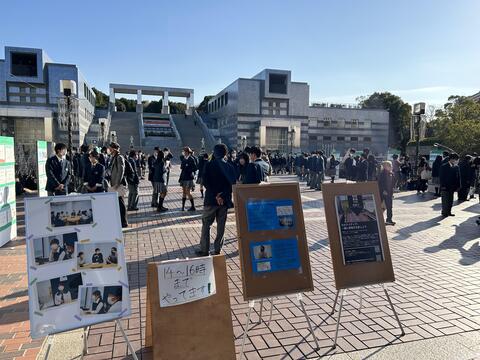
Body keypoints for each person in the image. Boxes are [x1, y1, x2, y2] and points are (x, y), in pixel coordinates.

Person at [196, 144, 236, 256]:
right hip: (224, 201)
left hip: (211, 200)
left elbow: (205, 182)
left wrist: (215, 195)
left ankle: (204, 249)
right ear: (225, 153)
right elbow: (232, 185)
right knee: (221, 225)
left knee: (206, 224)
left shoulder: (208, 165)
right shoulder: (229, 167)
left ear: (214, 152)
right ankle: (218, 248)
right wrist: (222, 196)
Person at [107, 142, 128, 228]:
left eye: (110, 148)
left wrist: (117, 183)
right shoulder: (113, 157)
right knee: (117, 203)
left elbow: (121, 171)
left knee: (121, 203)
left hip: (117, 184)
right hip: (114, 183)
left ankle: (124, 222)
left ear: (114, 149)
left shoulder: (119, 157)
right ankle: (120, 220)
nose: (109, 150)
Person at [440, 153, 460, 217]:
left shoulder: (456, 167)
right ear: (452, 159)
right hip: (445, 186)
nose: (456, 161)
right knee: (445, 200)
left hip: (452, 187)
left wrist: (458, 186)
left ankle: (449, 212)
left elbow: (458, 177)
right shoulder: (444, 166)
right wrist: (443, 186)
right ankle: (444, 212)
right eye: (456, 159)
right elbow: (442, 177)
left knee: (450, 200)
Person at [179, 147, 197, 211]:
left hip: (189, 177)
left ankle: (193, 206)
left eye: (184, 151)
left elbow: (195, 168)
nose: (183, 152)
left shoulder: (191, 159)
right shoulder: (184, 159)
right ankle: (183, 207)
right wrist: (185, 166)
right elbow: (181, 167)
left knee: (188, 192)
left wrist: (188, 168)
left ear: (187, 152)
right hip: (183, 177)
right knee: (184, 192)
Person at [378, 161, 395, 225]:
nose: (391, 167)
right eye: (390, 165)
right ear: (386, 166)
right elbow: (380, 183)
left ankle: (389, 220)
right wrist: (383, 190)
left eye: (391, 165)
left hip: (389, 193)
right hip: (383, 193)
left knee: (389, 207)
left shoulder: (391, 173)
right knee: (380, 206)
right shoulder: (382, 174)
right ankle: (377, 218)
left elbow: (392, 183)